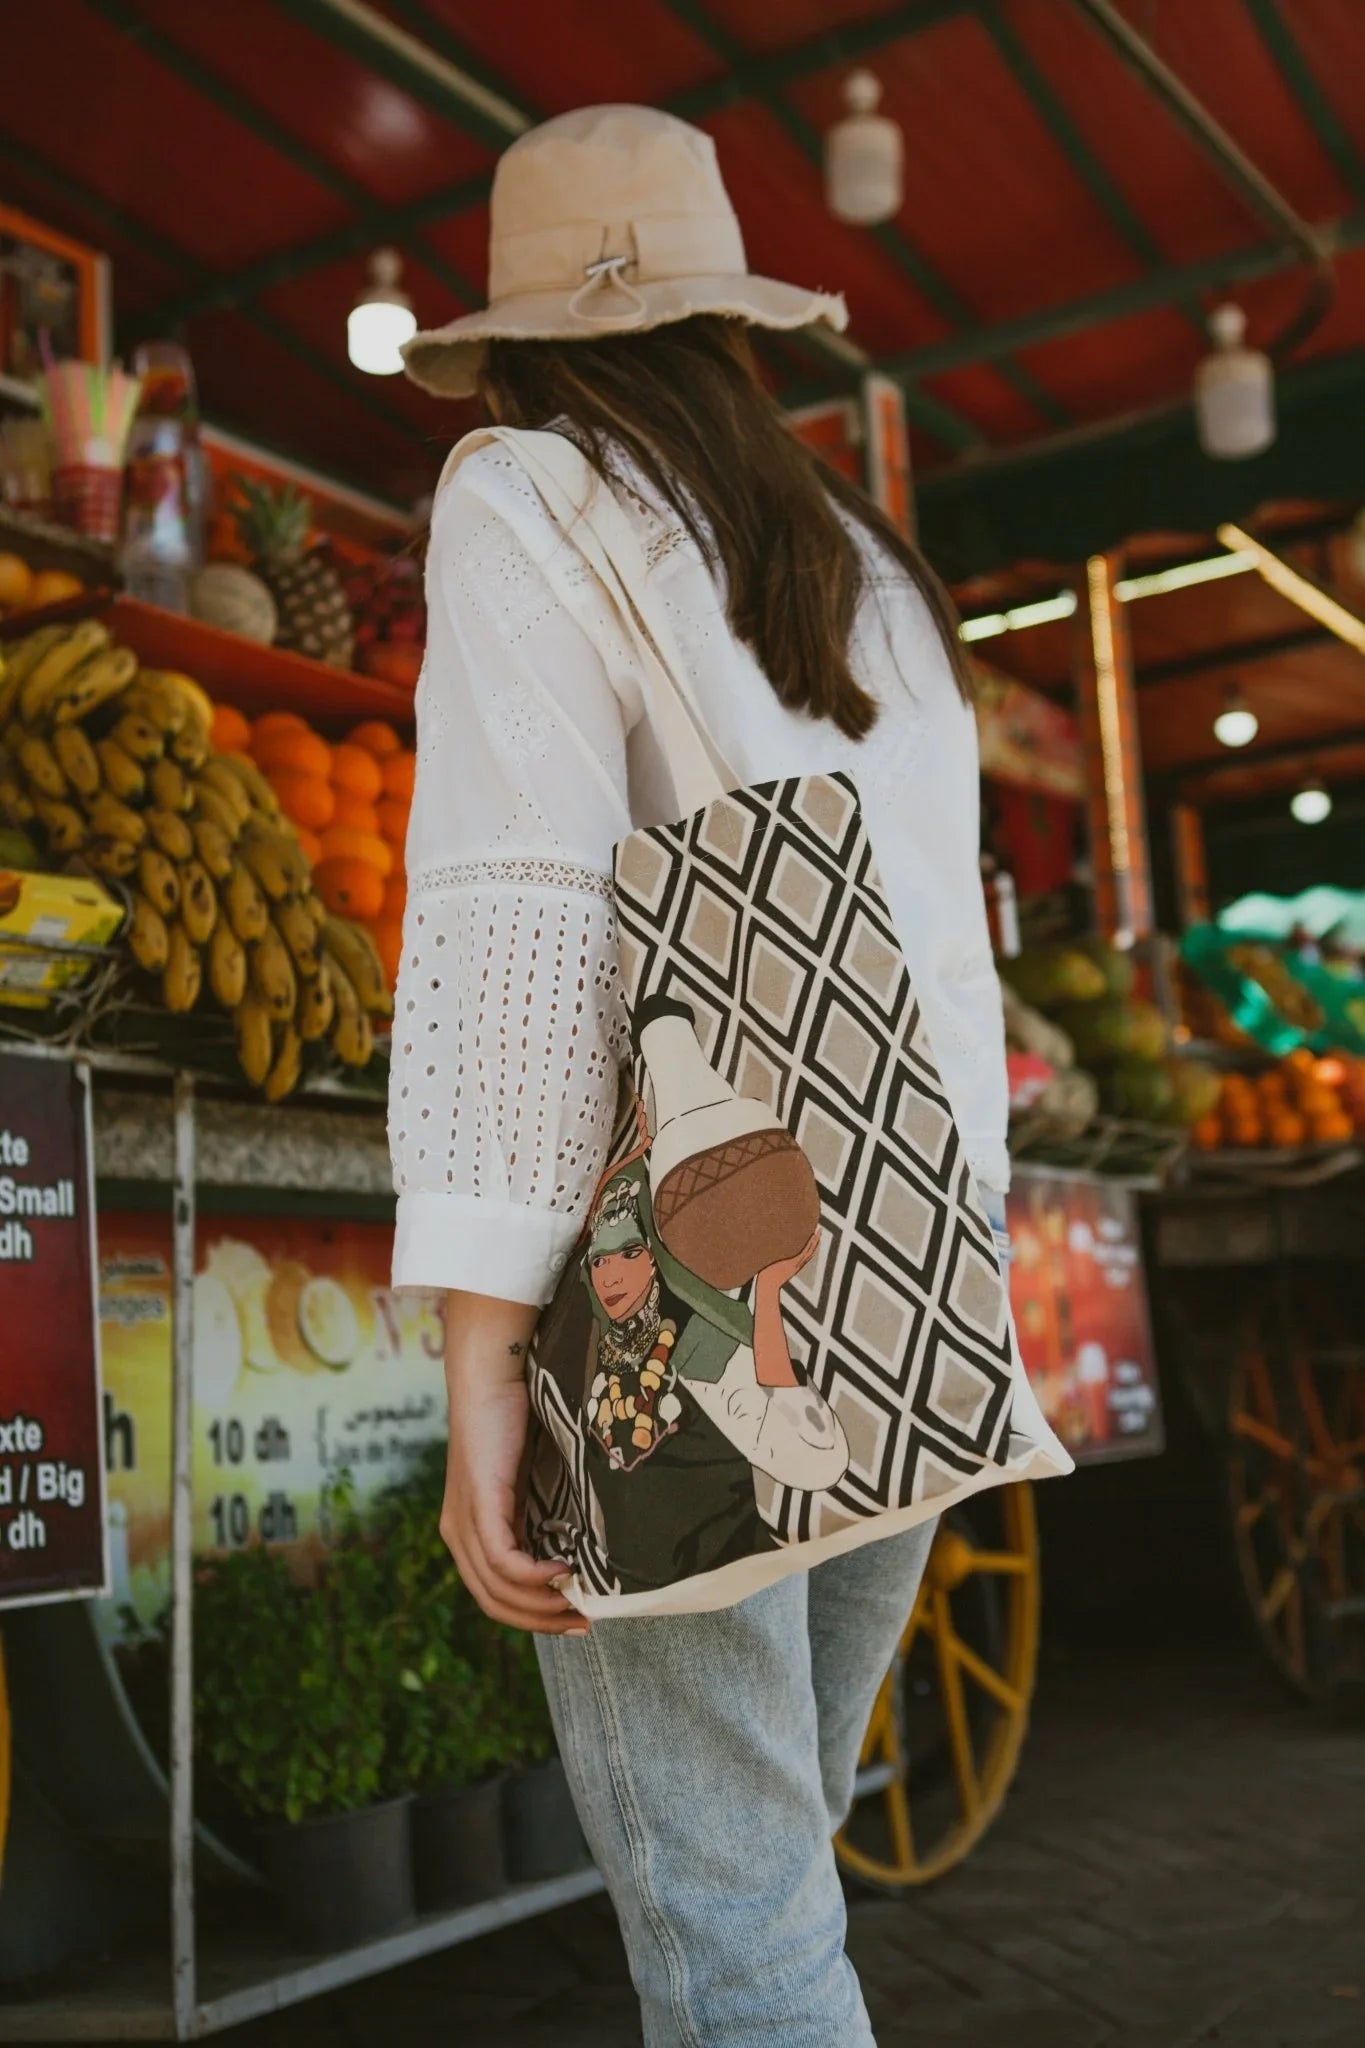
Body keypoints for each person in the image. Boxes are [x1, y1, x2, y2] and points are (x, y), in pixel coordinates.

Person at [393, 103, 1014, 2048]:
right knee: (779, 1878)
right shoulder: (862, 564)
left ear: (511, 345)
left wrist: (483, 1342)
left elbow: (517, 907)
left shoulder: (524, 494)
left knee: (736, 1927)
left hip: (687, 1305)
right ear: (729, 326)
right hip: (915, 1272)